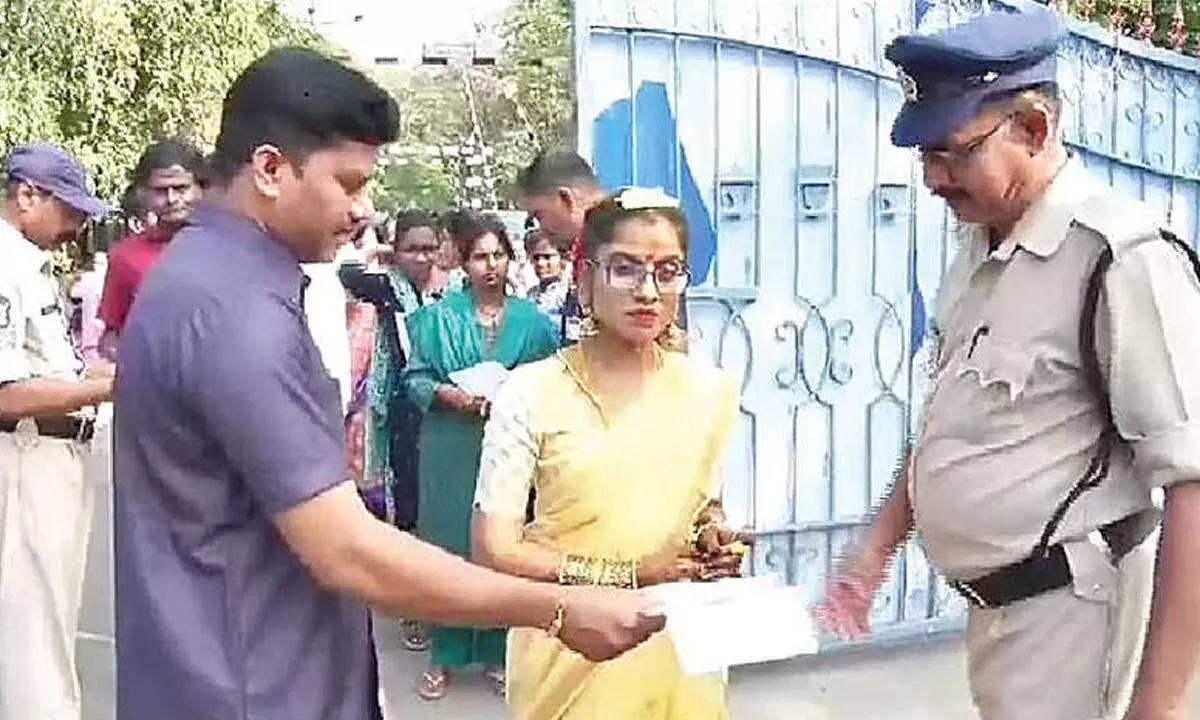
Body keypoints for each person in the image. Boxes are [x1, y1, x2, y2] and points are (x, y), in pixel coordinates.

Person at [112, 47, 665, 720]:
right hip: (252, 688)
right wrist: (558, 608)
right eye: (347, 184)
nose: (364, 211)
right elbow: (347, 549)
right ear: (269, 169)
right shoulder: (233, 313)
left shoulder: (213, 280)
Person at [817, 5, 1200, 720]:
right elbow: (953, 421)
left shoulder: (1117, 258)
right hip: (1004, 623)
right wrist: (874, 552)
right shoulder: (983, 246)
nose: (932, 179)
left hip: (1075, 617)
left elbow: (1193, 486)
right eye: (924, 155)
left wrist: (1162, 704)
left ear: (1033, 127)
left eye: (953, 152)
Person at [472, 187, 747, 719]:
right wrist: (630, 576)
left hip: (682, 647)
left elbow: (702, 504)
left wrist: (713, 535)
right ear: (584, 280)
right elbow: (495, 549)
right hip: (571, 644)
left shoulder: (710, 390)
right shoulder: (531, 392)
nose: (648, 291)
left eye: (667, 271)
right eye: (625, 269)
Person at [402, 211, 561, 700]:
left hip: (509, 446)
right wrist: (449, 395)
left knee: (501, 542)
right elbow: (415, 378)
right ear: (463, 262)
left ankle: (497, 650)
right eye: (479, 256)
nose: (489, 265)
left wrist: (512, 399)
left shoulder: (533, 322)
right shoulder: (437, 319)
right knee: (450, 544)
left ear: (510, 260)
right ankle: (445, 654)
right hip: (451, 444)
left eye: (498, 255)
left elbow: (551, 381)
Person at [0, 143, 113, 720]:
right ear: (26, 196)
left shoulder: (27, 266)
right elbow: (6, 394)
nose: (77, 225)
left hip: (53, 455)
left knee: (47, 623)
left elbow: (51, 369)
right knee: (30, 640)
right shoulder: (4, 266)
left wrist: (107, 375)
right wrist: (112, 387)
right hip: (24, 455)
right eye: (67, 209)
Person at [97, 137, 203, 359]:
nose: (172, 199)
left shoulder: (229, 245)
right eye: (161, 190)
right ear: (144, 193)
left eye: (181, 188)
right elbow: (112, 337)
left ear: (201, 187)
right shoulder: (126, 257)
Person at [518, 151, 606, 345]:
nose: (541, 228)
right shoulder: (584, 249)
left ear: (565, 198)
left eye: (540, 215)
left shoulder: (630, 240)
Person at [523, 226, 570, 329]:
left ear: (563, 259)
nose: (540, 263)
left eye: (547, 257)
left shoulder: (567, 295)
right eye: (536, 258)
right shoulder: (531, 294)